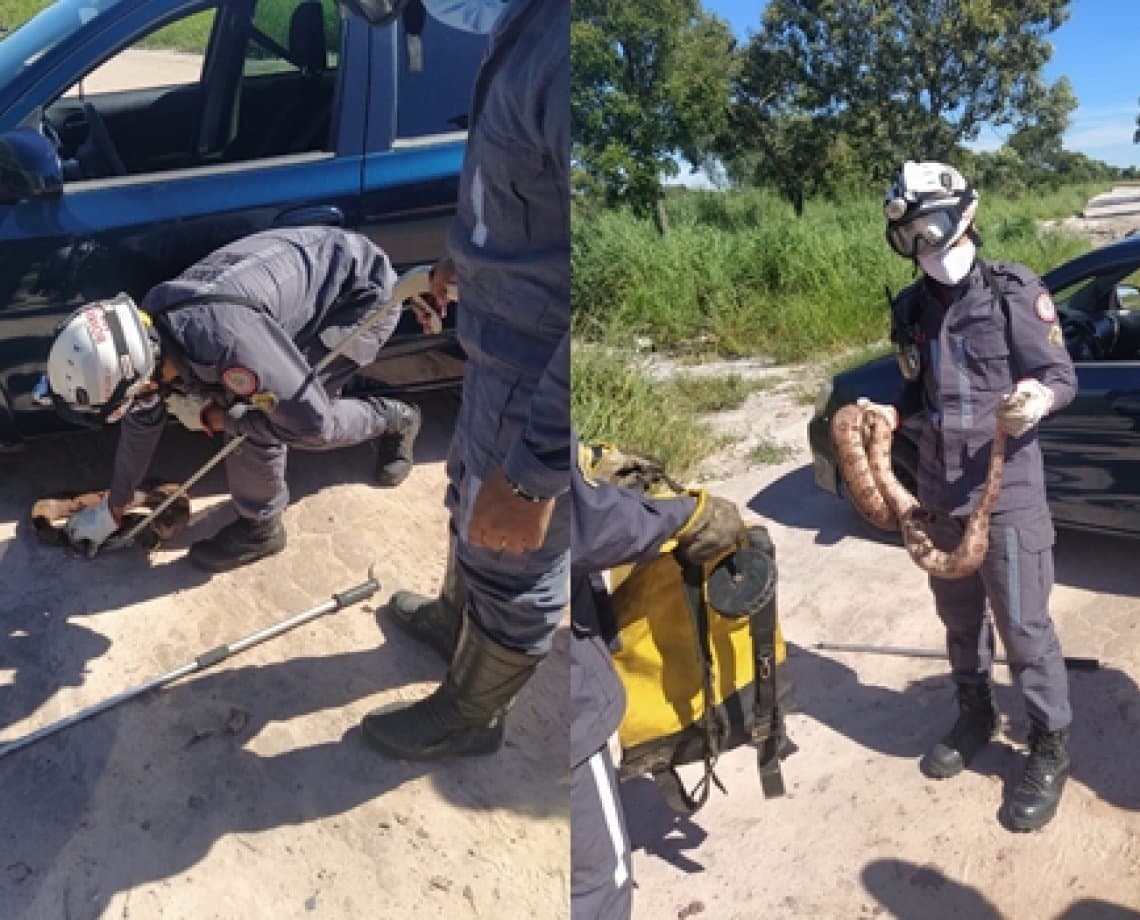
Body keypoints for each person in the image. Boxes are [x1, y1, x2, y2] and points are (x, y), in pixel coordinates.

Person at [359, 0, 571, 761]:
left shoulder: (562, 51)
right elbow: (522, 201)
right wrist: (466, 263)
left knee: (511, 550)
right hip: (495, 342)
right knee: (467, 498)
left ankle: (473, 715)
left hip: (536, 373)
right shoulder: (516, 27)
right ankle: (460, 620)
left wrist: (539, 476)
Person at [862, 160, 1077, 831]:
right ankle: (974, 709)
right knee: (958, 617)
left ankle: (1048, 743)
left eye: (932, 228)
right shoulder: (910, 308)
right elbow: (915, 387)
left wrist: (1037, 399)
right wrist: (889, 413)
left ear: (966, 216)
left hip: (1006, 491)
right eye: (910, 239)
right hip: (937, 492)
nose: (925, 248)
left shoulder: (1015, 291)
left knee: (1025, 626)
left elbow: (1058, 373)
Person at [50, 226, 422, 573]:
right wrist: (116, 505)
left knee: (268, 422)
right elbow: (143, 418)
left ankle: (390, 420)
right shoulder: (151, 334)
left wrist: (222, 419)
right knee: (252, 403)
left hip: (359, 301)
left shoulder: (228, 345)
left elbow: (311, 423)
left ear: (142, 381)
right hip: (315, 280)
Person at [569, 438, 749, 918]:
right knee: (597, 881)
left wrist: (584, 466)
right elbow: (581, 525)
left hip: (495, 619)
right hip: (560, 688)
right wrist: (683, 517)